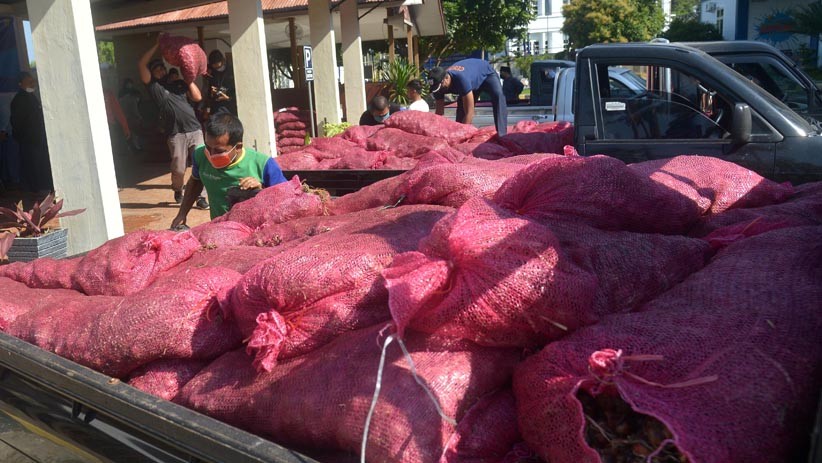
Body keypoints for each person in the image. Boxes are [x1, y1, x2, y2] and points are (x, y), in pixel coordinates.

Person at [171, 112, 287, 227]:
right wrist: (182, 214)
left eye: (219, 151)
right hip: (220, 228)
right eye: (208, 147)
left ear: (238, 147)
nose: (211, 155)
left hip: (256, 232)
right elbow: (196, 182)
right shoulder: (199, 156)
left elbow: (286, 201)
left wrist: (262, 191)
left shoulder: (264, 165)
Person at [138, 36, 209, 209]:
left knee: (201, 163)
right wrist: (157, 44)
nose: (161, 71)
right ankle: (178, 189)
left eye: (162, 68)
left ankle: (201, 197)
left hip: (194, 130)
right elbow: (141, 64)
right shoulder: (154, 87)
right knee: (178, 168)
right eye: (157, 69)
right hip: (176, 133)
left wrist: (188, 78)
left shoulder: (178, 84)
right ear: (152, 73)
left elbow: (198, 97)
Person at [429, 58, 508, 135]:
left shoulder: (461, 79)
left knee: (498, 96)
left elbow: (470, 112)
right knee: (461, 111)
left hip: (486, 74)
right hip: (471, 79)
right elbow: (439, 113)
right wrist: (436, 132)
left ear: (446, 78)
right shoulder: (437, 87)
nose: (439, 89)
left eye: (440, 86)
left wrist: (462, 134)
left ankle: (502, 133)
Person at [10, 72, 53, 193]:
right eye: (29, 82)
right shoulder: (19, 100)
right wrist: (27, 138)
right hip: (30, 141)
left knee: (41, 165)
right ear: (20, 84)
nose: (32, 84)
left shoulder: (32, 96)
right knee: (33, 167)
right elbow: (17, 122)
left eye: (32, 81)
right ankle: (38, 191)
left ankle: (43, 188)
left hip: (38, 139)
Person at [204, 50, 237, 116]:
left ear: (223, 61)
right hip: (217, 109)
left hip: (231, 108)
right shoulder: (212, 73)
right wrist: (208, 110)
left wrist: (228, 98)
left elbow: (239, 93)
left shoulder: (232, 71)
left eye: (218, 67)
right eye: (215, 68)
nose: (217, 69)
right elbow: (209, 96)